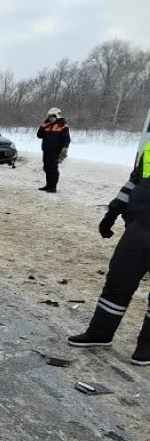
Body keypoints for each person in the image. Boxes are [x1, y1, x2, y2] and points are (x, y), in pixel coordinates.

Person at [68, 139, 150, 366]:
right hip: (140, 227)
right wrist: (113, 211)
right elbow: (135, 181)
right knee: (118, 280)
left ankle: (147, 344)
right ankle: (100, 332)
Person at [37, 107, 70, 193]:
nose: (50, 118)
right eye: (49, 117)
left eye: (52, 116)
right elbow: (39, 135)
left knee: (53, 169)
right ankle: (48, 185)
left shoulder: (63, 126)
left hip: (56, 152)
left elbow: (66, 139)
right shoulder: (48, 126)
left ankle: (53, 187)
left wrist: (64, 149)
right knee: (46, 168)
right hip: (46, 151)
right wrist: (42, 126)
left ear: (57, 116)